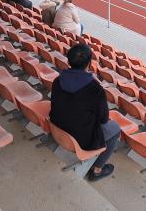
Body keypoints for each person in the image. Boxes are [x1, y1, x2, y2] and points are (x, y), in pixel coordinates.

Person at [50, 44, 120, 181]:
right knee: (115, 128)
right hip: (81, 138)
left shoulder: (58, 80)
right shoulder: (96, 89)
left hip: (58, 126)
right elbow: (104, 119)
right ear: (89, 64)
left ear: (69, 61)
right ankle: (97, 170)